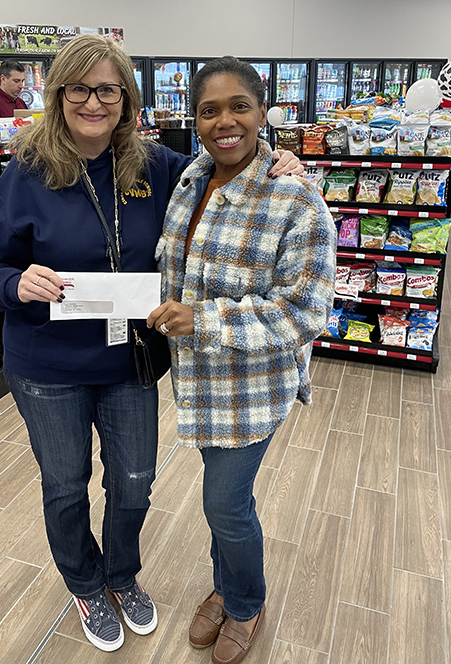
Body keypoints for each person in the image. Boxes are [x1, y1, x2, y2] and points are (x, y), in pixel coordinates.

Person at [0, 36, 302, 653]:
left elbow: (224, 161)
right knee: (66, 484)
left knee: (134, 481)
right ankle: (86, 583)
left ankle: (122, 574)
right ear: (59, 94)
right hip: (47, 366)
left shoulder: (155, 166)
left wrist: (279, 160)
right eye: (80, 89)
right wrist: (15, 281)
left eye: (108, 89)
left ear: (127, 98)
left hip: (130, 359)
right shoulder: (25, 175)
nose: (95, 102)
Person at [147, 57, 336, 664]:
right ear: (194, 119)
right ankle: (225, 587)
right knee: (218, 498)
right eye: (209, 110)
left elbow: (303, 314)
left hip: (252, 388)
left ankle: (246, 604)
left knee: (225, 503)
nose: (224, 121)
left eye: (239, 107)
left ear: (262, 112)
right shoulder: (190, 179)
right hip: (197, 383)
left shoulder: (297, 199)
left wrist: (203, 320)